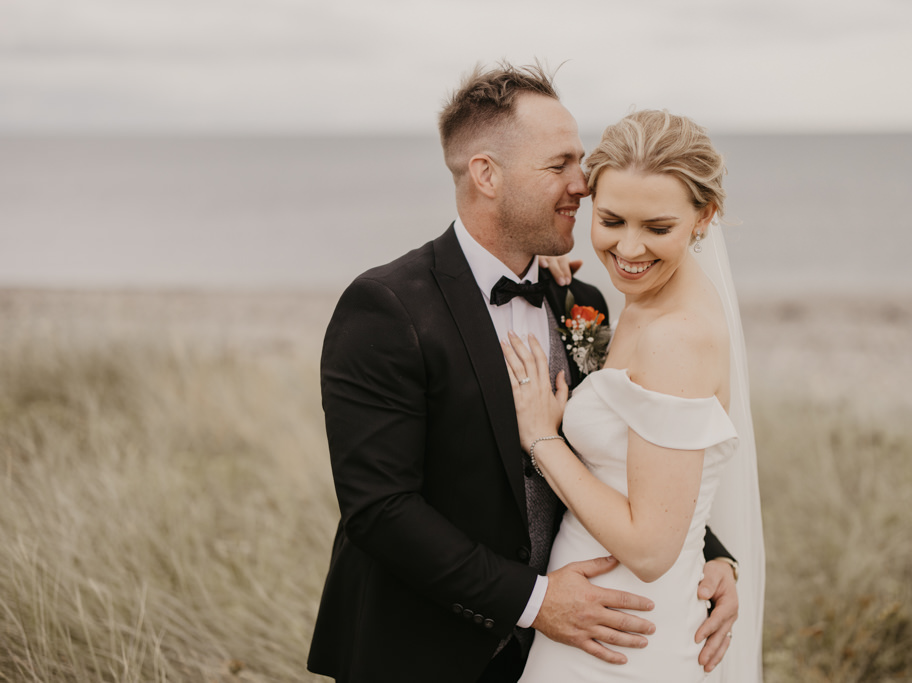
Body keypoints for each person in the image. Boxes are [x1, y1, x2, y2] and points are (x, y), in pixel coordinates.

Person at [306, 63, 742, 683]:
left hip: (575, 652)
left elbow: (633, 450)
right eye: (560, 164)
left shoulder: (579, 297)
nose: (583, 184)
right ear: (486, 173)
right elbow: (380, 509)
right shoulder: (387, 307)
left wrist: (712, 555)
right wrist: (537, 603)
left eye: (581, 161)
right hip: (427, 652)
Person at [503, 110, 765, 682]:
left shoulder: (676, 337)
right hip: (598, 619)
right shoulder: (643, 300)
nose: (628, 247)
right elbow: (651, 466)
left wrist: (543, 439)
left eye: (657, 228)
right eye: (612, 219)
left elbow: (649, 550)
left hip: (627, 638)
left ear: (705, 217)